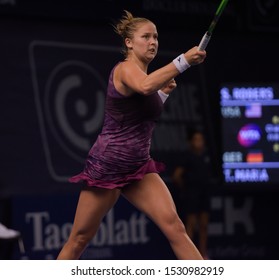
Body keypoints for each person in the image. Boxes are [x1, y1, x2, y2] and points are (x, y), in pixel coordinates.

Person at [57, 10, 206, 260]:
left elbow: (141, 110)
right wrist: (183, 61)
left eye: (156, 37)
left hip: (138, 167)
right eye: (145, 37)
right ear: (129, 42)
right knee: (79, 240)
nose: (153, 42)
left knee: (176, 228)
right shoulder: (125, 69)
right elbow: (146, 86)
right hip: (108, 166)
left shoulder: (145, 77)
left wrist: (163, 93)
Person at [172, 129, 212, 259]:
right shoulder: (187, 157)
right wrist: (186, 188)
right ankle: (188, 257)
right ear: (191, 142)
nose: (199, 142)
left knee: (204, 225)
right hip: (192, 194)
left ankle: (202, 255)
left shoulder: (207, 157)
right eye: (196, 139)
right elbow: (176, 176)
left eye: (201, 139)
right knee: (191, 224)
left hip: (204, 193)